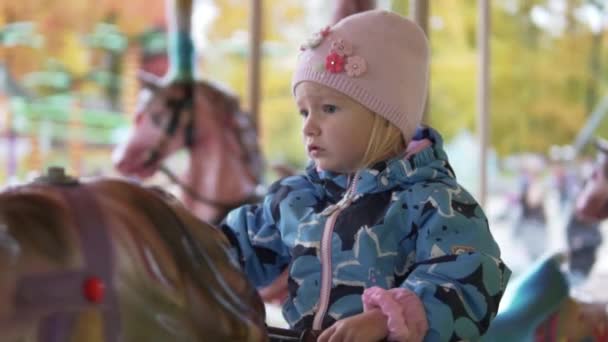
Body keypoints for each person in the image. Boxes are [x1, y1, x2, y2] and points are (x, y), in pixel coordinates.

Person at [220, 10, 511, 342]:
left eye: (328, 108)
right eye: (304, 111)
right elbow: (229, 249)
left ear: (383, 117)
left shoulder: (436, 202)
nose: (308, 126)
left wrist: (385, 321)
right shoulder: (296, 198)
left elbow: (468, 280)